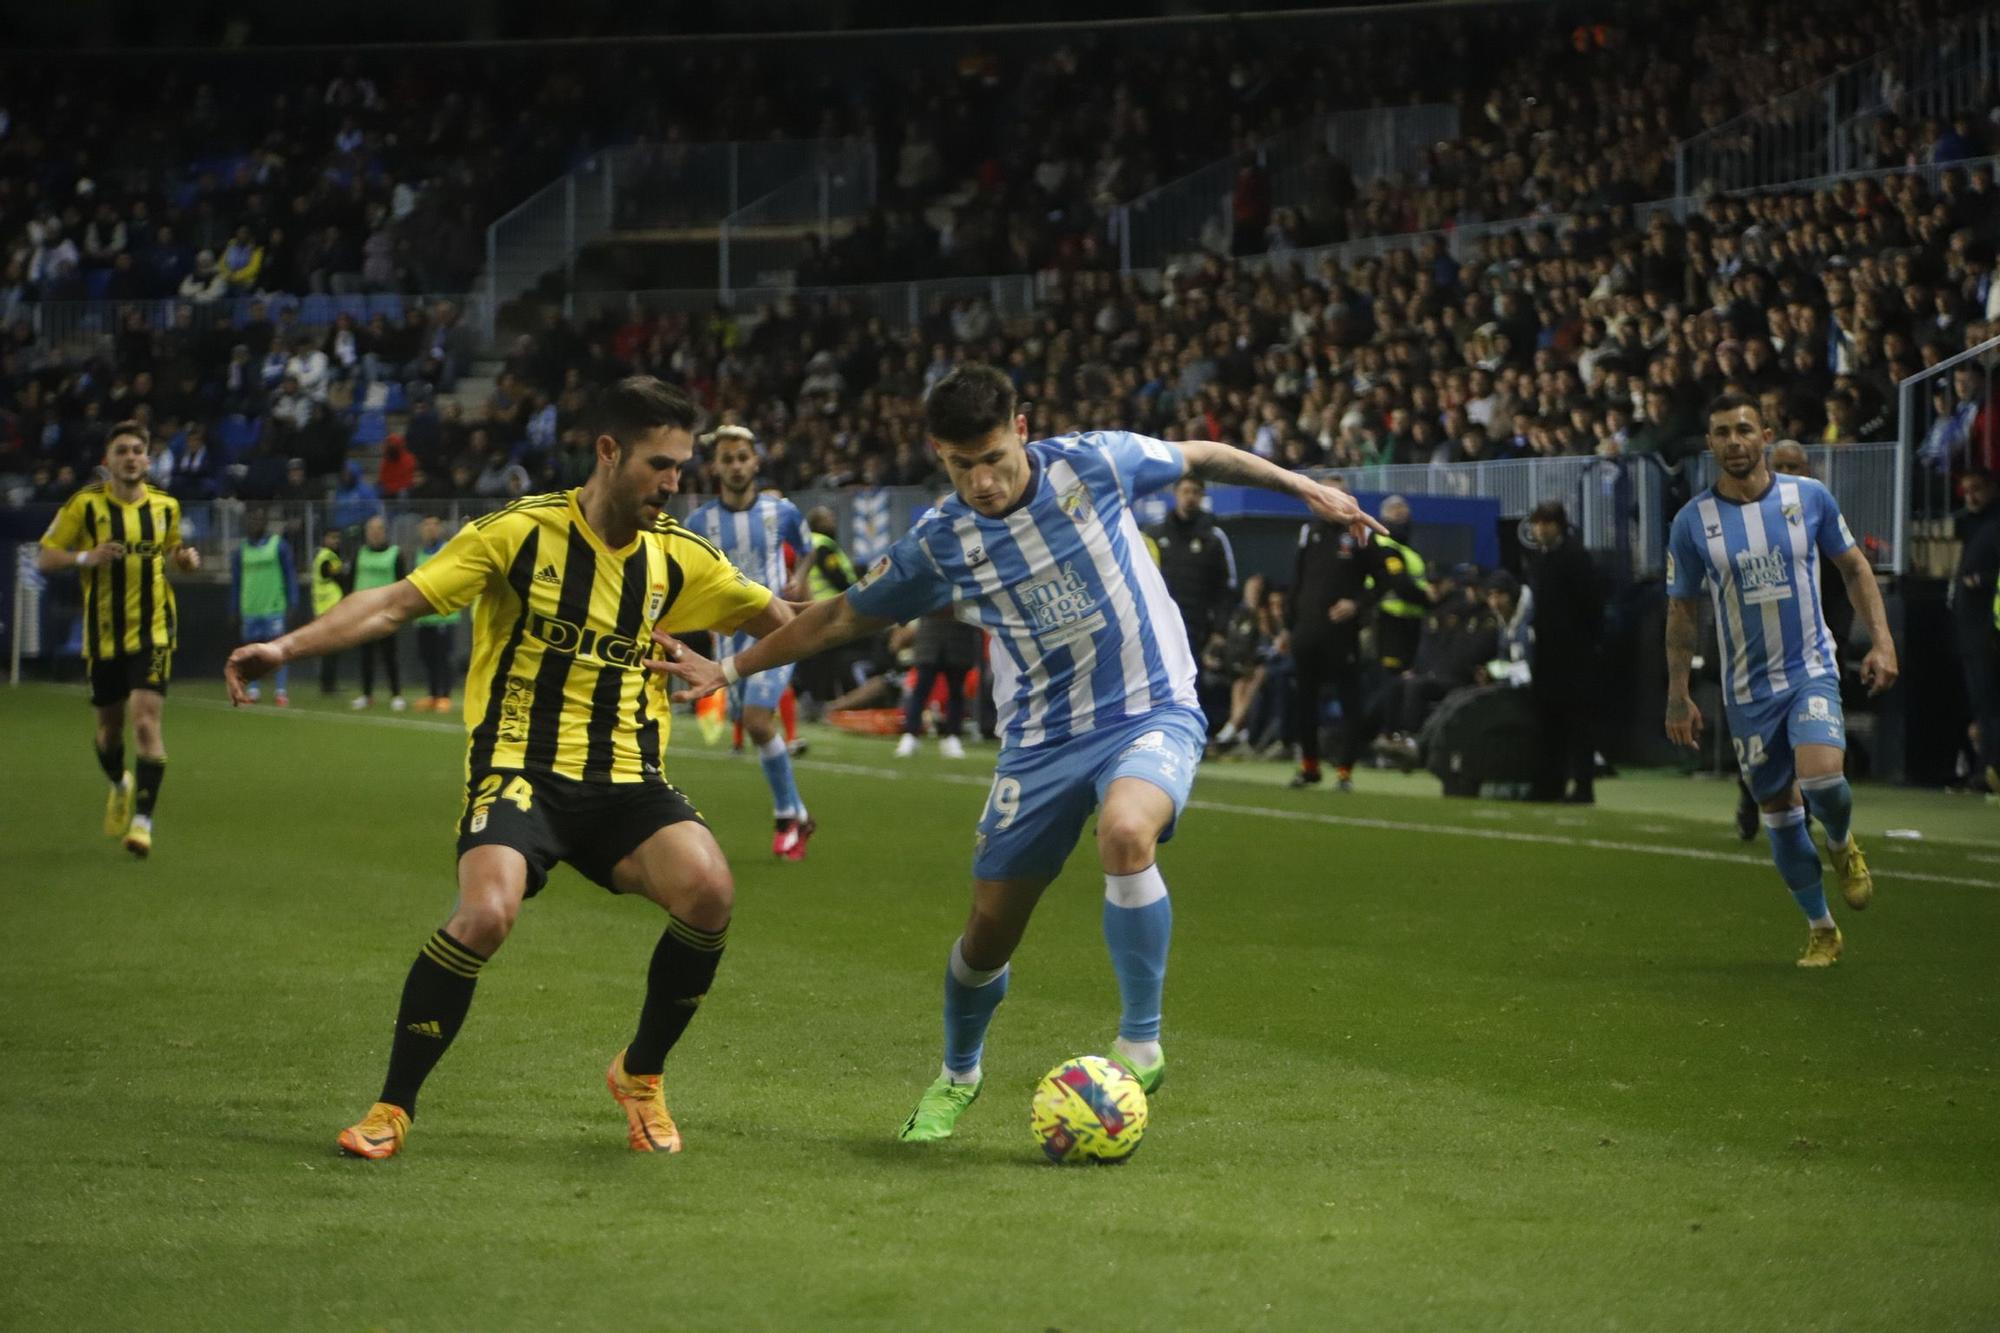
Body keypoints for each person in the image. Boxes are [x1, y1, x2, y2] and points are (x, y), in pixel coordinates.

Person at [647, 364, 1381, 1142]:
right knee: (988, 933)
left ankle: (1140, 1043)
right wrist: (726, 667)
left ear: (1021, 430)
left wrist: (1305, 486)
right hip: (1039, 740)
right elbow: (835, 618)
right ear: (939, 453)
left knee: (1126, 833)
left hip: (1150, 706)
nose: (984, 480)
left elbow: (1197, 454)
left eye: (994, 457)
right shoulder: (940, 542)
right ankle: (958, 1073)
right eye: (963, 465)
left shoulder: (1093, 462)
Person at [224, 375, 794, 1160]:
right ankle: (392, 1107)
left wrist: (730, 667)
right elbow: (395, 602)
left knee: (711, 890)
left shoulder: (681, 558)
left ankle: (641, 1074)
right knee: (486, 913)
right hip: (520, 768)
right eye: (661, 464)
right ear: (607, 450)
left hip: (627, 777)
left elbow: (785, 621)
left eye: (680, 466)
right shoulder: (518, 534)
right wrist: (283, 648)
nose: (674, 483)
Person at [1665, 393, 1899, 968]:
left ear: (1765, 434)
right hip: (1746, 690)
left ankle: (1842, 845)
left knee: (1822, 782)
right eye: (1722, 433)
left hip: (1810, 669)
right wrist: (1677, 694)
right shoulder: (1692, 523)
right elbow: (1682, 613)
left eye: (1744, 429)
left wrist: (1883, 641)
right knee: (1779, 814)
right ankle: (1822, 928)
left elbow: (1854, 568)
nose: (1735, 441)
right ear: (1710, 445)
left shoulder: (1809, 497)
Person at [35, 421, 202, 857]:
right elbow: (45, 557)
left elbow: (173, 553)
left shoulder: (166, 506)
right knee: (109, 733)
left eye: (137, 450)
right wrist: (86, 556)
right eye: (121, 451)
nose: (130, 457)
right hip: (104, 635)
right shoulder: (84, 507)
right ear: (107, 462)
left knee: (145, 722)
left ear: (147, 459)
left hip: (154, 631)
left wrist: (184, 560)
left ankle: (143, 824)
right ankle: (119, 782)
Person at [686, 427, 817, 860]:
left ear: (755, 462)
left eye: (743, 457)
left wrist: (798, 579)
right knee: (752, 725)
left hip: (778, 628)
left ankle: (784, 815)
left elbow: (807, 546)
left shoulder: (781, 512)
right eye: (728, 459)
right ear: (716, 467)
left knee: (759, 721)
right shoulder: (699, 523)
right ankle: (799, 812)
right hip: (729, 635)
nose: (736, 465)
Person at [1287, 508, 1391, 791]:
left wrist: (1357, 604)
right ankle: (1309, 766)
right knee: (1304, 702)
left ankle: (1345, 771)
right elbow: (1297, 580)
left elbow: (1385, 578)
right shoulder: (1310, 531)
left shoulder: (1360, 532)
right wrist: (1290, 625)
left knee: (1349, 702)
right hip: (1307, 632)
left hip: (1341, 635)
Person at [1525, 499, 1604, 803]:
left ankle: (1581, 787)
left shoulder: (1574, 558)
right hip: (1548, 655)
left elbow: (1590, 606)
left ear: (1558, 525)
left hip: (1574, 657)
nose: (1540, 529)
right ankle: (1548, 785)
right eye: (1537, 523)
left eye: (1546, 523)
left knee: (1577, 725)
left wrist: (1587, 645)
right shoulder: (1542, 559)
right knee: (1548, 724)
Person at [1146, 475, 1237, 682]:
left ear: (1202, 496)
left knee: (1192, 684)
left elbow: (1226, 588)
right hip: (1160, 624)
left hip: (1198, 627)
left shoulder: (1214, 538)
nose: (1190, 497)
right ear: (1176, 494)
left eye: (1195, 492)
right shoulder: (1154, 534)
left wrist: (1219, 631)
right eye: (1186, 491)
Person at [1949, 469, 2000, 792]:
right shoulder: (1970, 525)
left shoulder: (1994, 527)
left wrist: (1983, 580)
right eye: (1966, 490)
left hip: (1987, 630)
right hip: (1970, 631)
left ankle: (1989, 770)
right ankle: (1984, 768)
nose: (1971, 496)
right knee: (1980, 705)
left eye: (1977, 489)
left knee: (1988, 704)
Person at [896, 610, 984, 758]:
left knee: (956, 692)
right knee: (921, 691)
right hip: (930, 639)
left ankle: (952, 736)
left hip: (959, 640)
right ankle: (911, 734)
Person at [231, 508, 297, 706]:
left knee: (278, 651)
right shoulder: (241, 550)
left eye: (259, 519)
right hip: (250, 608)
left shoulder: (279, 546)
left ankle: (280, 691)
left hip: (274, 607)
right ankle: (253, 689)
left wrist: (292, 601)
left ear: (266, 522)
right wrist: (233, 608)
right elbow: (236, 582)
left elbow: (290, 576)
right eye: (252, 520)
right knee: (251, 654)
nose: (255, 524)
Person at [351, 515, 408, 710]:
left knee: (389, 655)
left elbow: (403, 583)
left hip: (386, 613)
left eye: (378, 529)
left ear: (384, 532)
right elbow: (352, 581)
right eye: (371, 529)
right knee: (365, 655)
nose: (374, 533)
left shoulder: (394, 553)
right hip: (363, 613)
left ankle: (396, 694)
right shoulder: (359, 553)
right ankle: (366, 694)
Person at [410, 514, 462, 712]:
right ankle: (432, 695)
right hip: (424, 617)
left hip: (444, 614)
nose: (430, 529)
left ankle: (445, 695)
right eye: (426, 526)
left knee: (443, 658)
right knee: (428, 658)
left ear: (440, 529)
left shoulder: (447, 550)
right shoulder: (419, 552)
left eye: (433, 525)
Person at [310, 529, 348, 695]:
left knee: (330, 650)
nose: (336, 541)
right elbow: (332, 574)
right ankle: (328, 686)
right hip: (329, 608)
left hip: (327, 607)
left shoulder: (324, 556)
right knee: (330, 650)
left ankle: (328, 684)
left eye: (337, 537)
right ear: (324, 539)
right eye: (332, 537)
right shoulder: (327, 556)